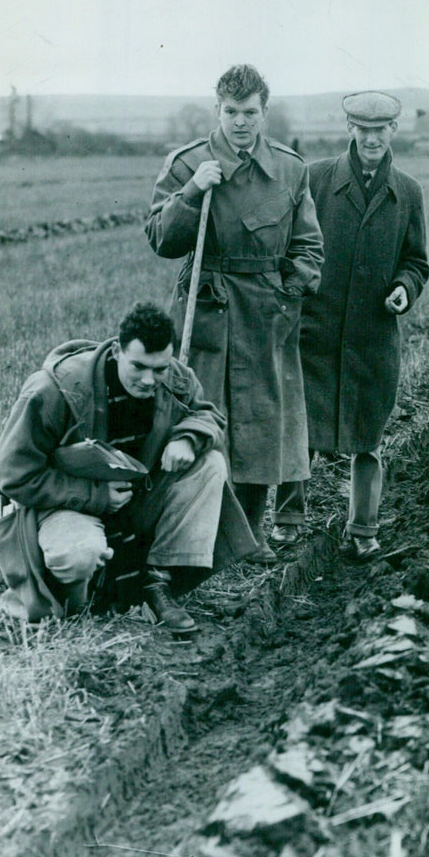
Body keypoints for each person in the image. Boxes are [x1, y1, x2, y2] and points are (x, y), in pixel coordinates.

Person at [145, 64, 324, 563]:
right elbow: (162, 239)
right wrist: (193, 191)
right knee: (205, 417)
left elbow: (310, 244)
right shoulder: (188, 164)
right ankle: (199, 537)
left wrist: (290, 290)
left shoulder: (290, 168)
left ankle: (253, 536)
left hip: (268, 312)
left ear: (265, 113)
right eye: (231, 112)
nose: (240, 123)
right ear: (216, 110)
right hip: (208, 308)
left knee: (265, 422)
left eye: (250, 113)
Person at [0, 302, 256, 633]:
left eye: (159, 369)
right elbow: (12, 475)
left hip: (136, 502)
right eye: (139, 367)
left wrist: (187, 438)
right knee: (79, 555)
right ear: (117, 349)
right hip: (65, 505)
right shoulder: (54, 389)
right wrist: (95, 495)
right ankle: (77, 602)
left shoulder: (172, 376)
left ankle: (158, 583)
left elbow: (208, 415)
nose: (149, 380)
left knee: (210, 463)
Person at [273, 91, 429, 560]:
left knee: (368, 436)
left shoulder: (407, 192)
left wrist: (405, 287)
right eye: (363, 129)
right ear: (350, 130)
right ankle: (286, 520)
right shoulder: (316, 179)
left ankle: (363, 530)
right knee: (300, 427)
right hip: (314, 331)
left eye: (381, 130)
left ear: (394, 132)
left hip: (372, 336)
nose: (372, 138)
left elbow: (416, 261)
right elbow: (290, 245)